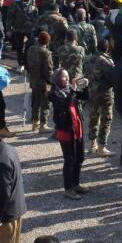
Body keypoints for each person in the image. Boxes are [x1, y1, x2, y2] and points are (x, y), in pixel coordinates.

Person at [50, 68, 91, 199]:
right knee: (70, 160)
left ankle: (76, 184)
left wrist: (85, 86)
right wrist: (73, 90)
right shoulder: (54, 93)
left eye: (68, 76)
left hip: (77, 128)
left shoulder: (69, 90)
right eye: (64, 77)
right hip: (66, 130)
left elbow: (85, 97)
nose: (67, 79)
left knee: (79, 158)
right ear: (57, 79)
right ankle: (68, 189)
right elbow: (64, 105)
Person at [84, 39, 116, 157]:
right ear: (107, 49)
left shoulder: (88, 59)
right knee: (106, 119)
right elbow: (112, 79)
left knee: (93, 118)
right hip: (105, 95)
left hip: (92, 93)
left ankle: (92, 145)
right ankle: (102, 147)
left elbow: (85, 74)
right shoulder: (107, 62)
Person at [26, 31, 54, 132]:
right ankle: (43, 125)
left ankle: (35, 123)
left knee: (35, 102)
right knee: (46, 104)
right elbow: (48, 70)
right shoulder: (46, 53)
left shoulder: (31, 49)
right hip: (44, 82)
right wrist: (52, 81)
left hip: (33, 79)